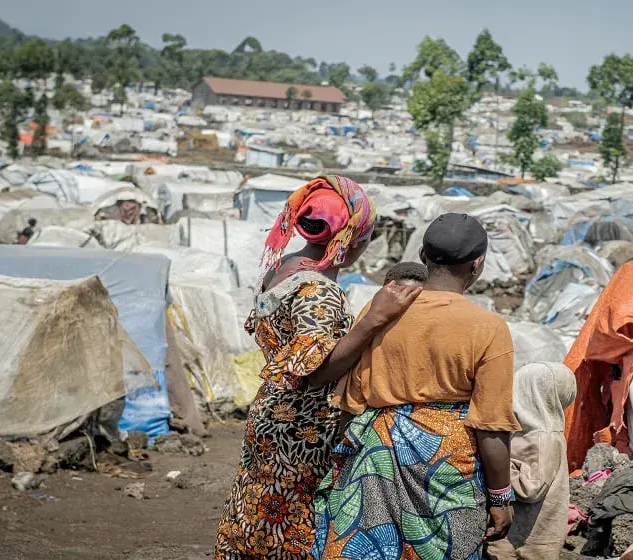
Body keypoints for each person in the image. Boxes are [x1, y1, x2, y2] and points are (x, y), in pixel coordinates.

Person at [215, 175, 421, 560]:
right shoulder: (318, 291)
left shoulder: (284, 268)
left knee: (258, 511)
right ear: (353, 238)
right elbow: (316, 371)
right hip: (303, 427)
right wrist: (372, 320)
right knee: (291, 521)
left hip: (272, 411)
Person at [313, 213, 521, 560]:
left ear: (422, 256)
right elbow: (491, 427)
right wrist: (500, 496)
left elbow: (350, 397)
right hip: (448, 468)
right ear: (478, 264)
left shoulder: (381, 310)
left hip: (376, 459)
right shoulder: (488, 328)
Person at [486, 363, 577, 560]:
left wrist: (496, 467)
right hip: (520, 537)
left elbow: (531, 488)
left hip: (527, 543)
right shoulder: (529, 432)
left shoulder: (544, 438)